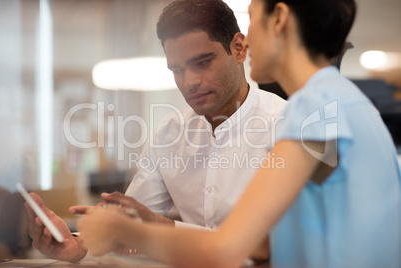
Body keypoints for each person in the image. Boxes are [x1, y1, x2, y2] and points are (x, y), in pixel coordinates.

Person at [77, 0, 401, 267]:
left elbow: (226, 249)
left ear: (279, 20)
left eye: (252, 17)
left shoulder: (314, 109)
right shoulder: (340, 101)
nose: (247, 38)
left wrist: (127, 231)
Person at [25, 0, 286, 263]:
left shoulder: (284, 125)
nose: (190, 82)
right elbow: (129, 225)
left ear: (238, 49)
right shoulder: (169, 134)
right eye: (177, 69)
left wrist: (156, 227)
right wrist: (78, 245)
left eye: (203, 62)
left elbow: (267, 247)